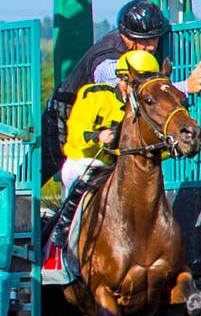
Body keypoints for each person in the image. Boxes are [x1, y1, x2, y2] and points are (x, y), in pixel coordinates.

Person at [41, 0, 201, 184]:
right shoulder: (108, 61)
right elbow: (138, 93)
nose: (150, 46)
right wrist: (186, 87)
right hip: (65, 117)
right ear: (126, 37)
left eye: (154, 39)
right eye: (144, 41)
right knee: (41, 173)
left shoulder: (141, 50)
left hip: (106, 126)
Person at [41, 50, 159, 253]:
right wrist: (98, 137)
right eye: (136, 83)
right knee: (85, 177)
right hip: (84, 161)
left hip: (116, 169)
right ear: (122, 80)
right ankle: (62, 230)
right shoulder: (94, 94)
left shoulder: (142, 108)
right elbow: (76, 135)